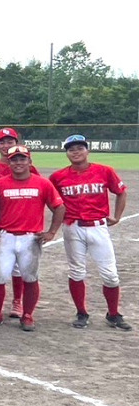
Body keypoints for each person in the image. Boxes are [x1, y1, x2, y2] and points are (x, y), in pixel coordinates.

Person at [49, 135, 130, 330]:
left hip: (98, 227)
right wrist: (61, 217)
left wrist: (117, 216)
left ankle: (113, 314)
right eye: (71, 149)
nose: (75, 152)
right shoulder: (58, 177)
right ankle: (81, 312)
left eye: (80, 148)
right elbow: (51, 200)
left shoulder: (104, 171)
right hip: (73, 227)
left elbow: (121, 192)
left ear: (87, 150)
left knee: (110, 275)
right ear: (66, 153)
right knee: (76, 271)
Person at [0, 145, 65, 331]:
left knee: (30, 277)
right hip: (5, 237)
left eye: (22, 159)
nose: (18, 163)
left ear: (29, 161)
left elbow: (59, 207)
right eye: (14, 160)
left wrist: (51, 232)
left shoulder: (42, 183)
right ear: (9, 163)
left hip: (30, 238)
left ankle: (27, 315)